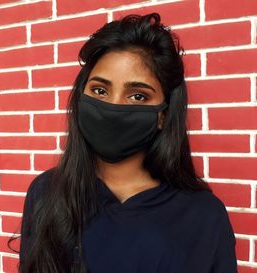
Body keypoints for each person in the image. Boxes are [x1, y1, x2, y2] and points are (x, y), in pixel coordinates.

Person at [13, 12, 238, 273]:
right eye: (99, 90)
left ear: (163, 116)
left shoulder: (204, 216)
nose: (114, 106)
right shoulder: (45, 192)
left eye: (138, 96)